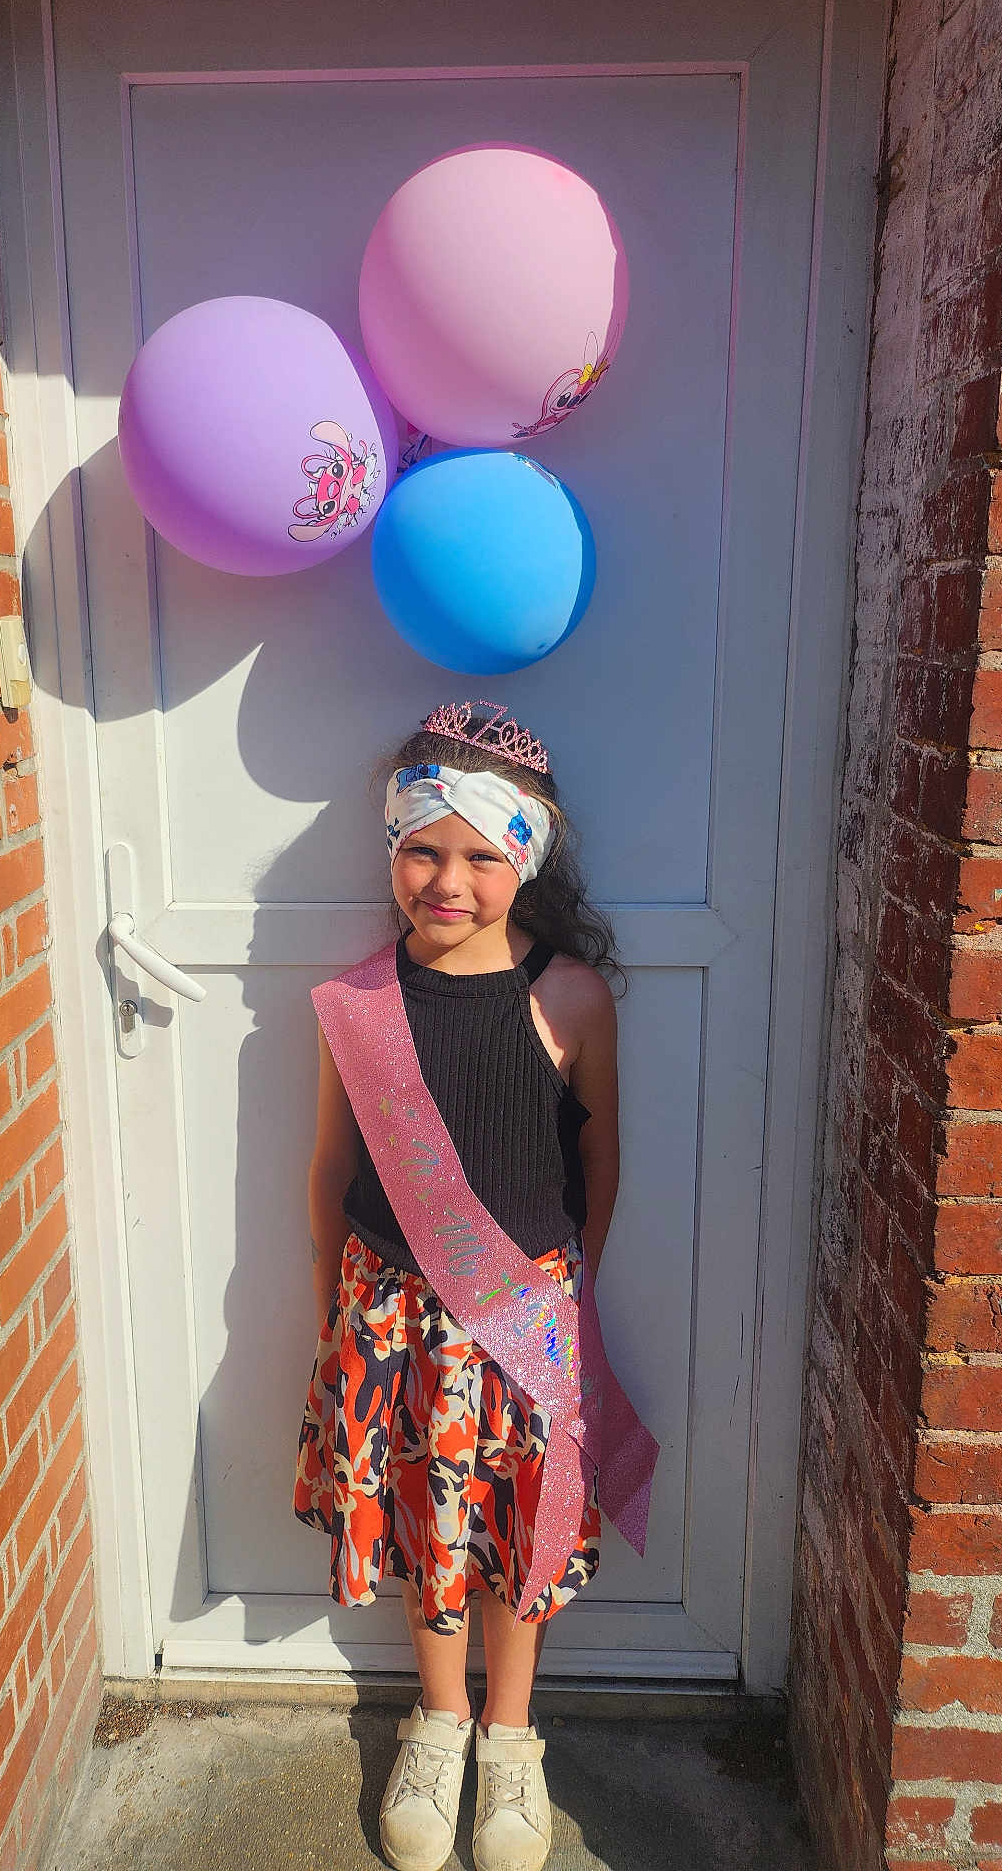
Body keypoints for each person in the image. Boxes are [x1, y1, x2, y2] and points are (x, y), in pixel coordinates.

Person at [293, 700, 623, 1871]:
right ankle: (436, 1724)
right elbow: (331, 1171)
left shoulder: (570, 998)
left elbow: (598, 1167)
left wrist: (558, 1315)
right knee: (434, 1527)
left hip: (523, 1315)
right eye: (423, 847)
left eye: (483, 854)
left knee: (520, 1526)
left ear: (525, 859)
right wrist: (328, 1317)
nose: (450, 878)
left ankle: (510, 1739)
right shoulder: (356, 1006)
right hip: (390, 1320)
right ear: (390, 849)